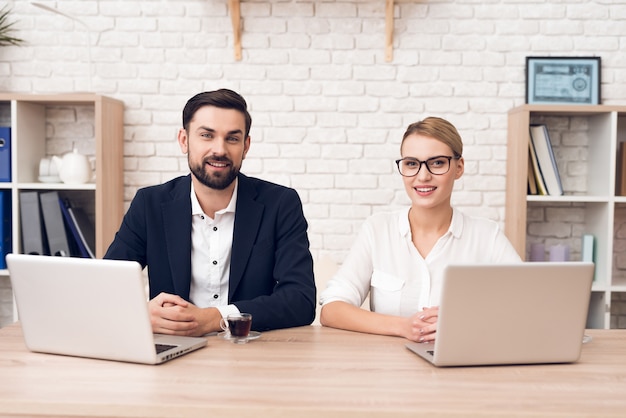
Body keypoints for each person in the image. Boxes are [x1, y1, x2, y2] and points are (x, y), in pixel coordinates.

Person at [105, 89, 316, 336]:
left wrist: (215, 318)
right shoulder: (149, 204)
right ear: (184, 140)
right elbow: (107, 288)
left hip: (251, 354)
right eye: (206, 135)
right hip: (172, 352)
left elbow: (301, 300)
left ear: (246, 146)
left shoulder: (280, 204)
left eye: (232, 138)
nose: (219, 149)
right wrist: (141, 314)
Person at [319, 117, 521, 342]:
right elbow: (332, 310)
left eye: (437, 163)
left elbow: (527, 307)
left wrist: (463, 321)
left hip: (459, 368)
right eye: (412, 164)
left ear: (459, 167)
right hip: (388, 371)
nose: (423, 176)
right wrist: (404, 326)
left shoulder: (487, 236)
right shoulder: (378, 230)